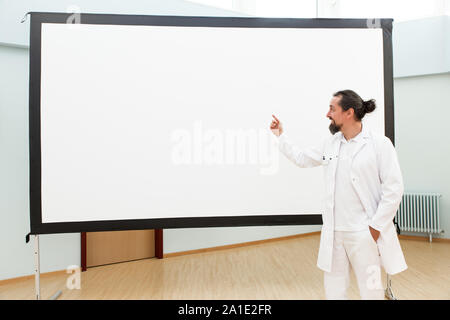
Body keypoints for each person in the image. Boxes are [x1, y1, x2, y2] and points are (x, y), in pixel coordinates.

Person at [270, 90, 407, 300]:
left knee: (371, 291)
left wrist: (375, 228)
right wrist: (281, 135)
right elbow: (301, 158)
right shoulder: (331, 143)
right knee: (334, 293)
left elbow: (394, 189)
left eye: (332, 109)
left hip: (365, 234)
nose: (327, 114)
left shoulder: (380, 145)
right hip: (334, 236)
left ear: (349, 112)